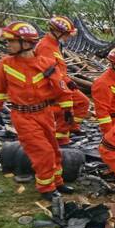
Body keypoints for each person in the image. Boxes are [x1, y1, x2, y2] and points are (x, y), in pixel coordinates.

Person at [0, 21, 74, 200]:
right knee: (42, 152)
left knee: (53, 148)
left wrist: (67, 108)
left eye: (11, 41)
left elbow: (61, 88)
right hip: (22, 116)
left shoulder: (47, 64)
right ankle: (46, 188)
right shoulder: (5, 64)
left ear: (26, 43)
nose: (8, 44)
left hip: (45, 113)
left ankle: (57, 181)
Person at [35, 16, 90, 146]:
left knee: (83, 102)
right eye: (66, 34)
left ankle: (72, 127)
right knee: (64, 110)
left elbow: (58, 69)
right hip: (53, 86)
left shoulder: (54, 44)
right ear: (57, 32)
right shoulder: (45, 47)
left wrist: (68, 81)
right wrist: (63, 88)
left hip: (62, 82)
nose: (68, 37)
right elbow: (49, 72)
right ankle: (61, 138)